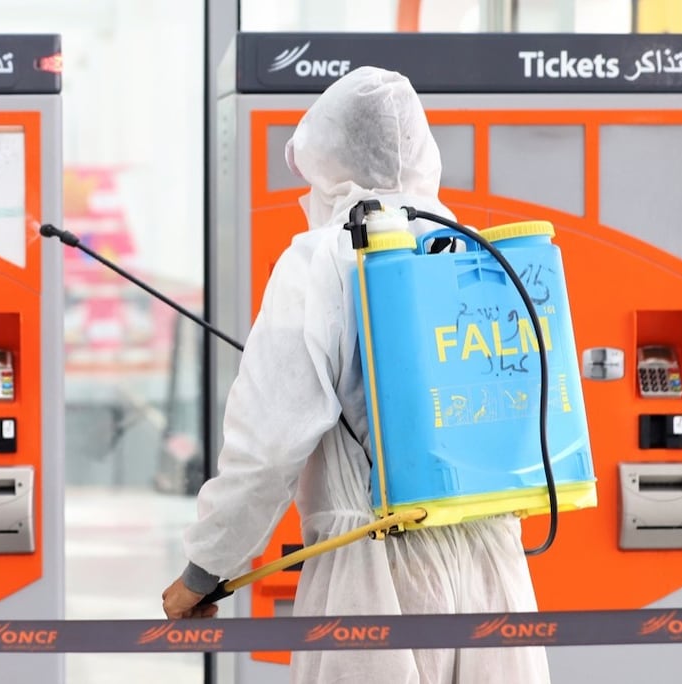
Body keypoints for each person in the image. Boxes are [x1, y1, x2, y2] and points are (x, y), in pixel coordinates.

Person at [161, 66, 552, 683]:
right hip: (494, 572)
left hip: (374, 572)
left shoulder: (319, 261)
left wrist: (204, 570)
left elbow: (265, 448)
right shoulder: (480, 250)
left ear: (327, 161)